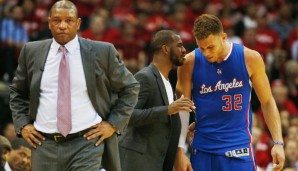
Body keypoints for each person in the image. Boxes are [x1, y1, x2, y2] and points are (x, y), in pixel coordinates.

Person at [9, 1, 139, 171]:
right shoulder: (31, 51)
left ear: (78, 24)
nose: (62, 25)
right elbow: (17, 92)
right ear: (49, 23)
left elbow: (130, 87)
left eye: (69, 21)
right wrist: (23, 125)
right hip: (43, 144)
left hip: (86, 144)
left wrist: (113, 123)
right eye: (57, 20)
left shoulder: (102, 52)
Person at [175, 14, 285, 171]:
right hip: (203, 150)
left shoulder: (250, 58)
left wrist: (278, 143)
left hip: (238, 150)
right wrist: (179, 149)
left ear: (224, 37)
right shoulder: (189, 62)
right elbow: (182, 108)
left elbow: (267, 101)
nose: (206, 53)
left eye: (210, 47)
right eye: (202, 47)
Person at [119, 30, 195, 171]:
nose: (184, 50)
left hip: (157, 161)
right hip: (139, 162)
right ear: (166, 49)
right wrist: (167, 109)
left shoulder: (166, 80)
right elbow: (128, 115)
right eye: (179, 46)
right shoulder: (145, 77)